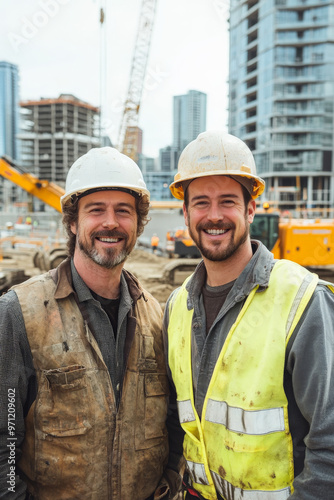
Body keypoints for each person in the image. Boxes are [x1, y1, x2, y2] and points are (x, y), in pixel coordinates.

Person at [162, 131, 334, 499]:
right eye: (201, 203)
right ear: (186, 213)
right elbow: (180, 426)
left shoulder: (302, 300)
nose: (214, 216)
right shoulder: (176, 307)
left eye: (227, 201)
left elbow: (329, 439)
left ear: (250, 208)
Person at [0, 147, 169, 499]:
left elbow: (175, 432)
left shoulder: (158, 319)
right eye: (96, 210)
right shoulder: (20, 313)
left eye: (124, 211)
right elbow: (5, 444)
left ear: (138, 224)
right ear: (73, 221)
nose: (111, 222)